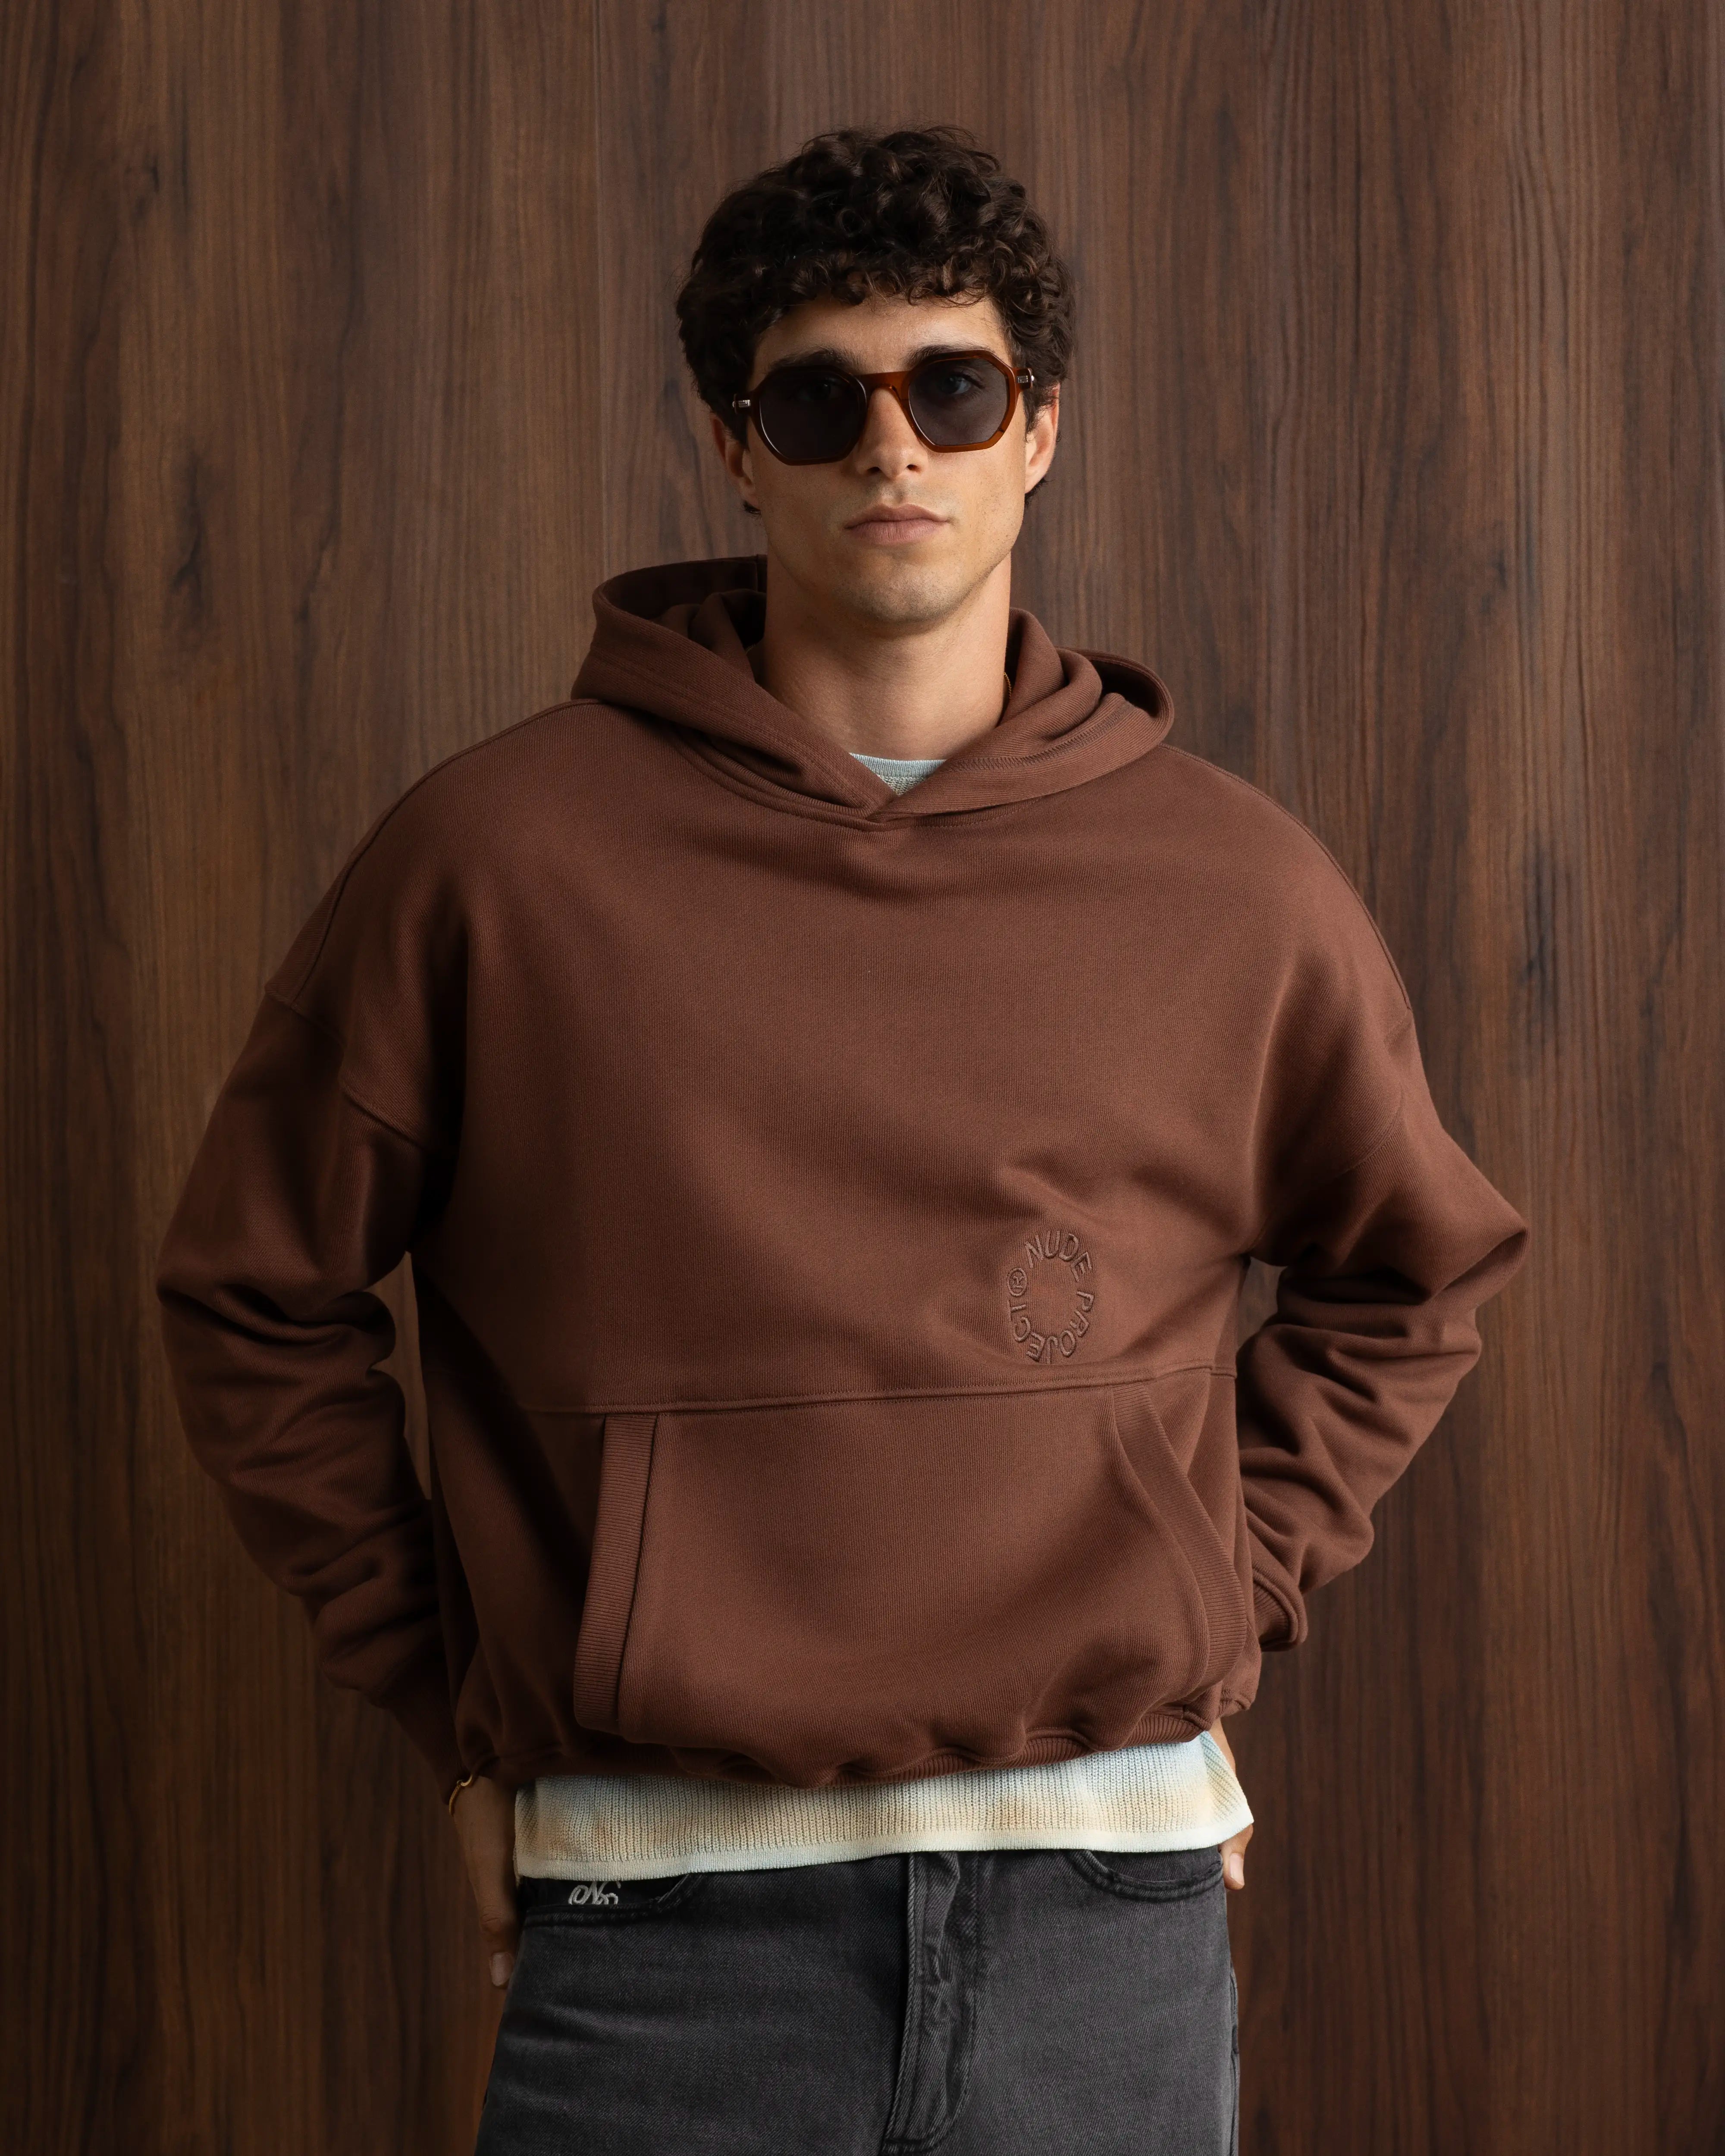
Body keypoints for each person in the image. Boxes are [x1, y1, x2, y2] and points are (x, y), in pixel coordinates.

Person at [154, 125, 1530, 2154]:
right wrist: (456, 1701)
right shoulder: (494, 862)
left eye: (952, 389)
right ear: (737, 446)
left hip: (1105, 1895)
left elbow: (1417, 1267)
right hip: (661, 1912)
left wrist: (1215, 1583)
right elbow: (252, 1290)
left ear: (1036, 429)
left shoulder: (1232, 885)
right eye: (820, 399)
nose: (893, 446)